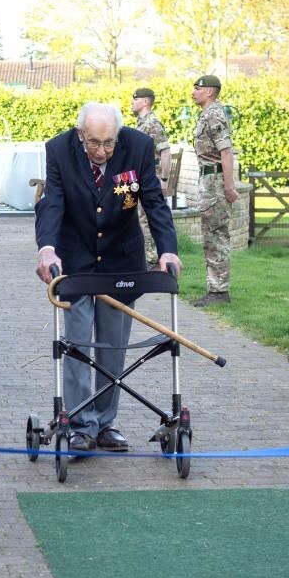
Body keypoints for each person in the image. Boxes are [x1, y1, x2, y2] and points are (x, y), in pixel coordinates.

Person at [35, 102, 181, 454]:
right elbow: (52, 201)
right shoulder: (58, 149)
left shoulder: (139, 146)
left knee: (113, 347)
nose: (102, 151)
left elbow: (153, 201)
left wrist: (168, 249)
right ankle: (80, 426)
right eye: (93, 143)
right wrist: (47, 248)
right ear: (80, 134)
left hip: (120, 260)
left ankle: (105, 423)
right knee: (79, 344)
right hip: (76, 260)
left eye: (109, 143)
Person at [189, 74, 239, 306]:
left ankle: (219, 292)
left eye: (197, 88)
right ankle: (215, 288)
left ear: (209, 92)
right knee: (211, 235)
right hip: (209, 180)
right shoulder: (207, 114)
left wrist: (229, 186)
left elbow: (226, 152)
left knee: (216, 236)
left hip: (216, 182)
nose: (193, 91)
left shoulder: (214, 115)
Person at [130, 87, 172, 268]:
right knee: (141, 219)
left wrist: (163, 179)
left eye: (135, 99)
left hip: (151, 178)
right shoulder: (141, 124)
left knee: (148, 219)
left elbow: (165, 152)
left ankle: (153, 259)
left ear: (145, 101)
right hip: (137, 179)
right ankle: (149, 257)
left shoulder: (153, 124)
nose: (132, 102)